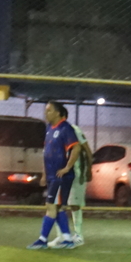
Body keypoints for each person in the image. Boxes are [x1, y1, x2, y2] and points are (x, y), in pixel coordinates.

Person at [28, 101, 79, 250]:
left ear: (57, 113)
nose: (46, 113)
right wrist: (44, 174)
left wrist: (67, 167)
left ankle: (42, 240)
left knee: (50, 206)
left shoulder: (66, 128)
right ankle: (67, 239)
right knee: (59, 207)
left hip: (60, 176)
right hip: (52, 175)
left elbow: (76, 148)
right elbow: (47, 152)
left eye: (49, 110)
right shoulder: (49, 128)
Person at [64, 122, 94, 247]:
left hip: (77, 172)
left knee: (74, 204)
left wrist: (89, 169)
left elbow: (87, 150)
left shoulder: (73, 130)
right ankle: (63, 236)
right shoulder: (52, 131)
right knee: (56, 204)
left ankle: (78, 234)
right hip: (61, 173)